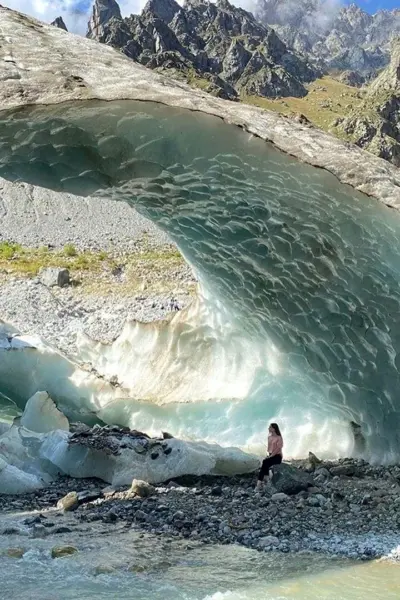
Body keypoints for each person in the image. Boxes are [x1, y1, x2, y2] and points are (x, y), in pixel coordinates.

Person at [256, 423, 283, 490]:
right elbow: (270, 449)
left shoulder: (279, 438)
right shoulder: (269, 437)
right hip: (271, 455)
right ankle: (266, 480)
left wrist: (270, 456)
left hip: (277, 457)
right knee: (265, 463)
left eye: (270, 427)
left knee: (265, 462)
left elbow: (278, 449)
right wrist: (269, 456)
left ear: (274, 429)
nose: (268, 428)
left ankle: (259, 483)